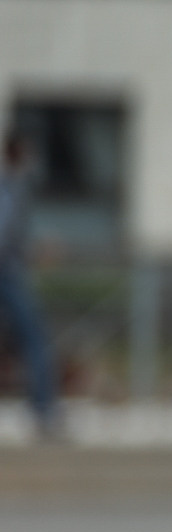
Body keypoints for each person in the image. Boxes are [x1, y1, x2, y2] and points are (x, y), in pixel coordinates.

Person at [0, 130, 62, 439]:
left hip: (10, 272)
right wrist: (31, 253)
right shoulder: (8, 189)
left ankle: (44, 412)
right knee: (35, 341)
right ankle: (44, 413)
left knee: (31, 341)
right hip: (7, 275)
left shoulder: (14, 188)